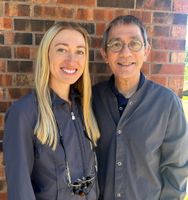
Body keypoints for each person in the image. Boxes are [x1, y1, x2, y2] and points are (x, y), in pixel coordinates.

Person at [93, 15, 188, 200]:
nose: (125, 53)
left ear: (146, 51)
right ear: (105, 54)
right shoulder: (92, 99)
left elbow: (176, 170)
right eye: (115, 44)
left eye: (134, 44)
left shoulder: (167, 104)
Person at [3, 22, 100, 200]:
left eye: (80, 51)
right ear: (47, 54)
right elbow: (20, 190)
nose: (71, 60)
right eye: (62, 50)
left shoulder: (85, 109)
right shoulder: (23, 113)